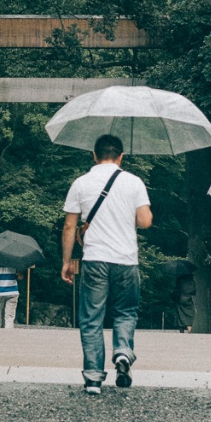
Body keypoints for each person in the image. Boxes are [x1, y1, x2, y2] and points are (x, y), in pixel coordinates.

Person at [60, 133, 153, 395]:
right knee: (125, 312)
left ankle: (92, 379)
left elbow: (69, 226)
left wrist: (67, 261)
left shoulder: (81, 183)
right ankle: (122, 353)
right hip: (126, 261)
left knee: (91, 319)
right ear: (121, 156)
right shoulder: (134, 182)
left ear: (94, 155)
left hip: (94, 260)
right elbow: (145, 221)